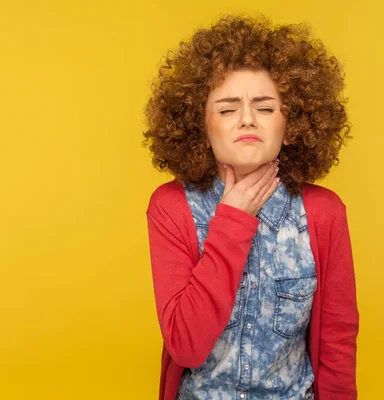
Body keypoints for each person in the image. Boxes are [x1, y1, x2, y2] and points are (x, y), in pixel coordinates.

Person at [142, 13, 359, 400]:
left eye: (265, 107)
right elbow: (186, 345)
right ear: (200, 125)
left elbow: (337, 344)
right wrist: (233, 219)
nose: (246, 120)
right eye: (226, 110)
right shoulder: (170, 208)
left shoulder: (324, 214)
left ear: (291, 122)